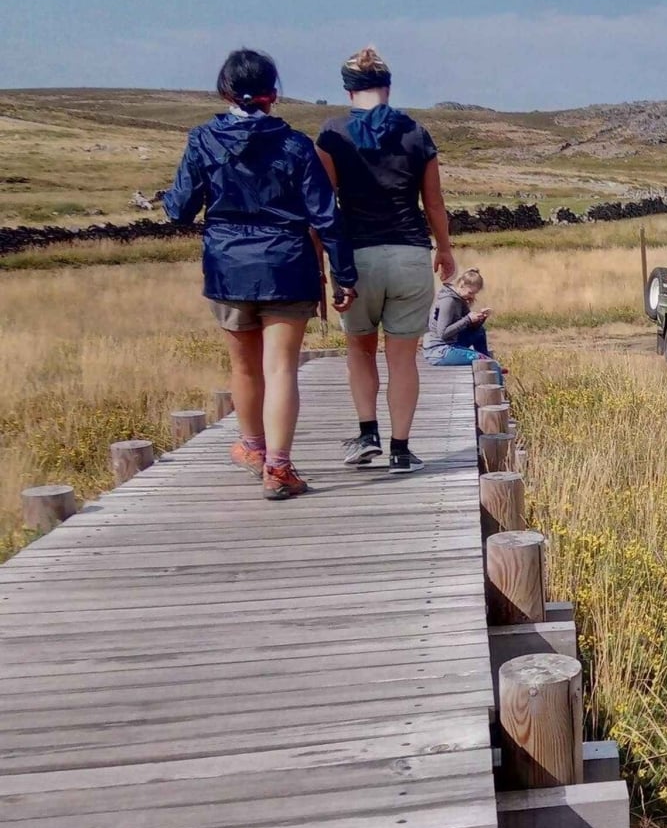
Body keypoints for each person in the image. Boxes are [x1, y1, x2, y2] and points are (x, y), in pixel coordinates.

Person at [164, 49, 357, 500]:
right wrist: (344, 275)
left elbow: (179, 210)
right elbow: (326, 216)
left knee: (244, 366)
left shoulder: (203, 140)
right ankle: (279, 467)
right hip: (287, 264)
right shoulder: (295, 145)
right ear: (274, 93)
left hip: (228, 267)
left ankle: (252, 448)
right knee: (281, 368)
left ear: (224, 90)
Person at [316, 46, 457, 474]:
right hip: (411, 253)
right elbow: (434, 204)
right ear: (389, 88)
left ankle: (367, 434)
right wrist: (445, 250)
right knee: (402, 357)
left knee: (359, 351)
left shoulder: (333, 134)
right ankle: (401, 448)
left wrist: (319, 261)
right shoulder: (416, 133)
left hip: (356, 257)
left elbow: (323, 208)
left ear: (347, 91)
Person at [422, 268, 493, 366]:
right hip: (439, 351)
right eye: (470, 293)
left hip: (451, 343)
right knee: (483, 360)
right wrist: (468, 319)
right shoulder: (448, 301)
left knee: (479, 332)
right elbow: (443, 333)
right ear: (462, 284)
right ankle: (489, 364)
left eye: (474, 294)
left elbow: (470, 327)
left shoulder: (460, 299)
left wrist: (480, 318)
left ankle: (489, 364)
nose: (472, 297)